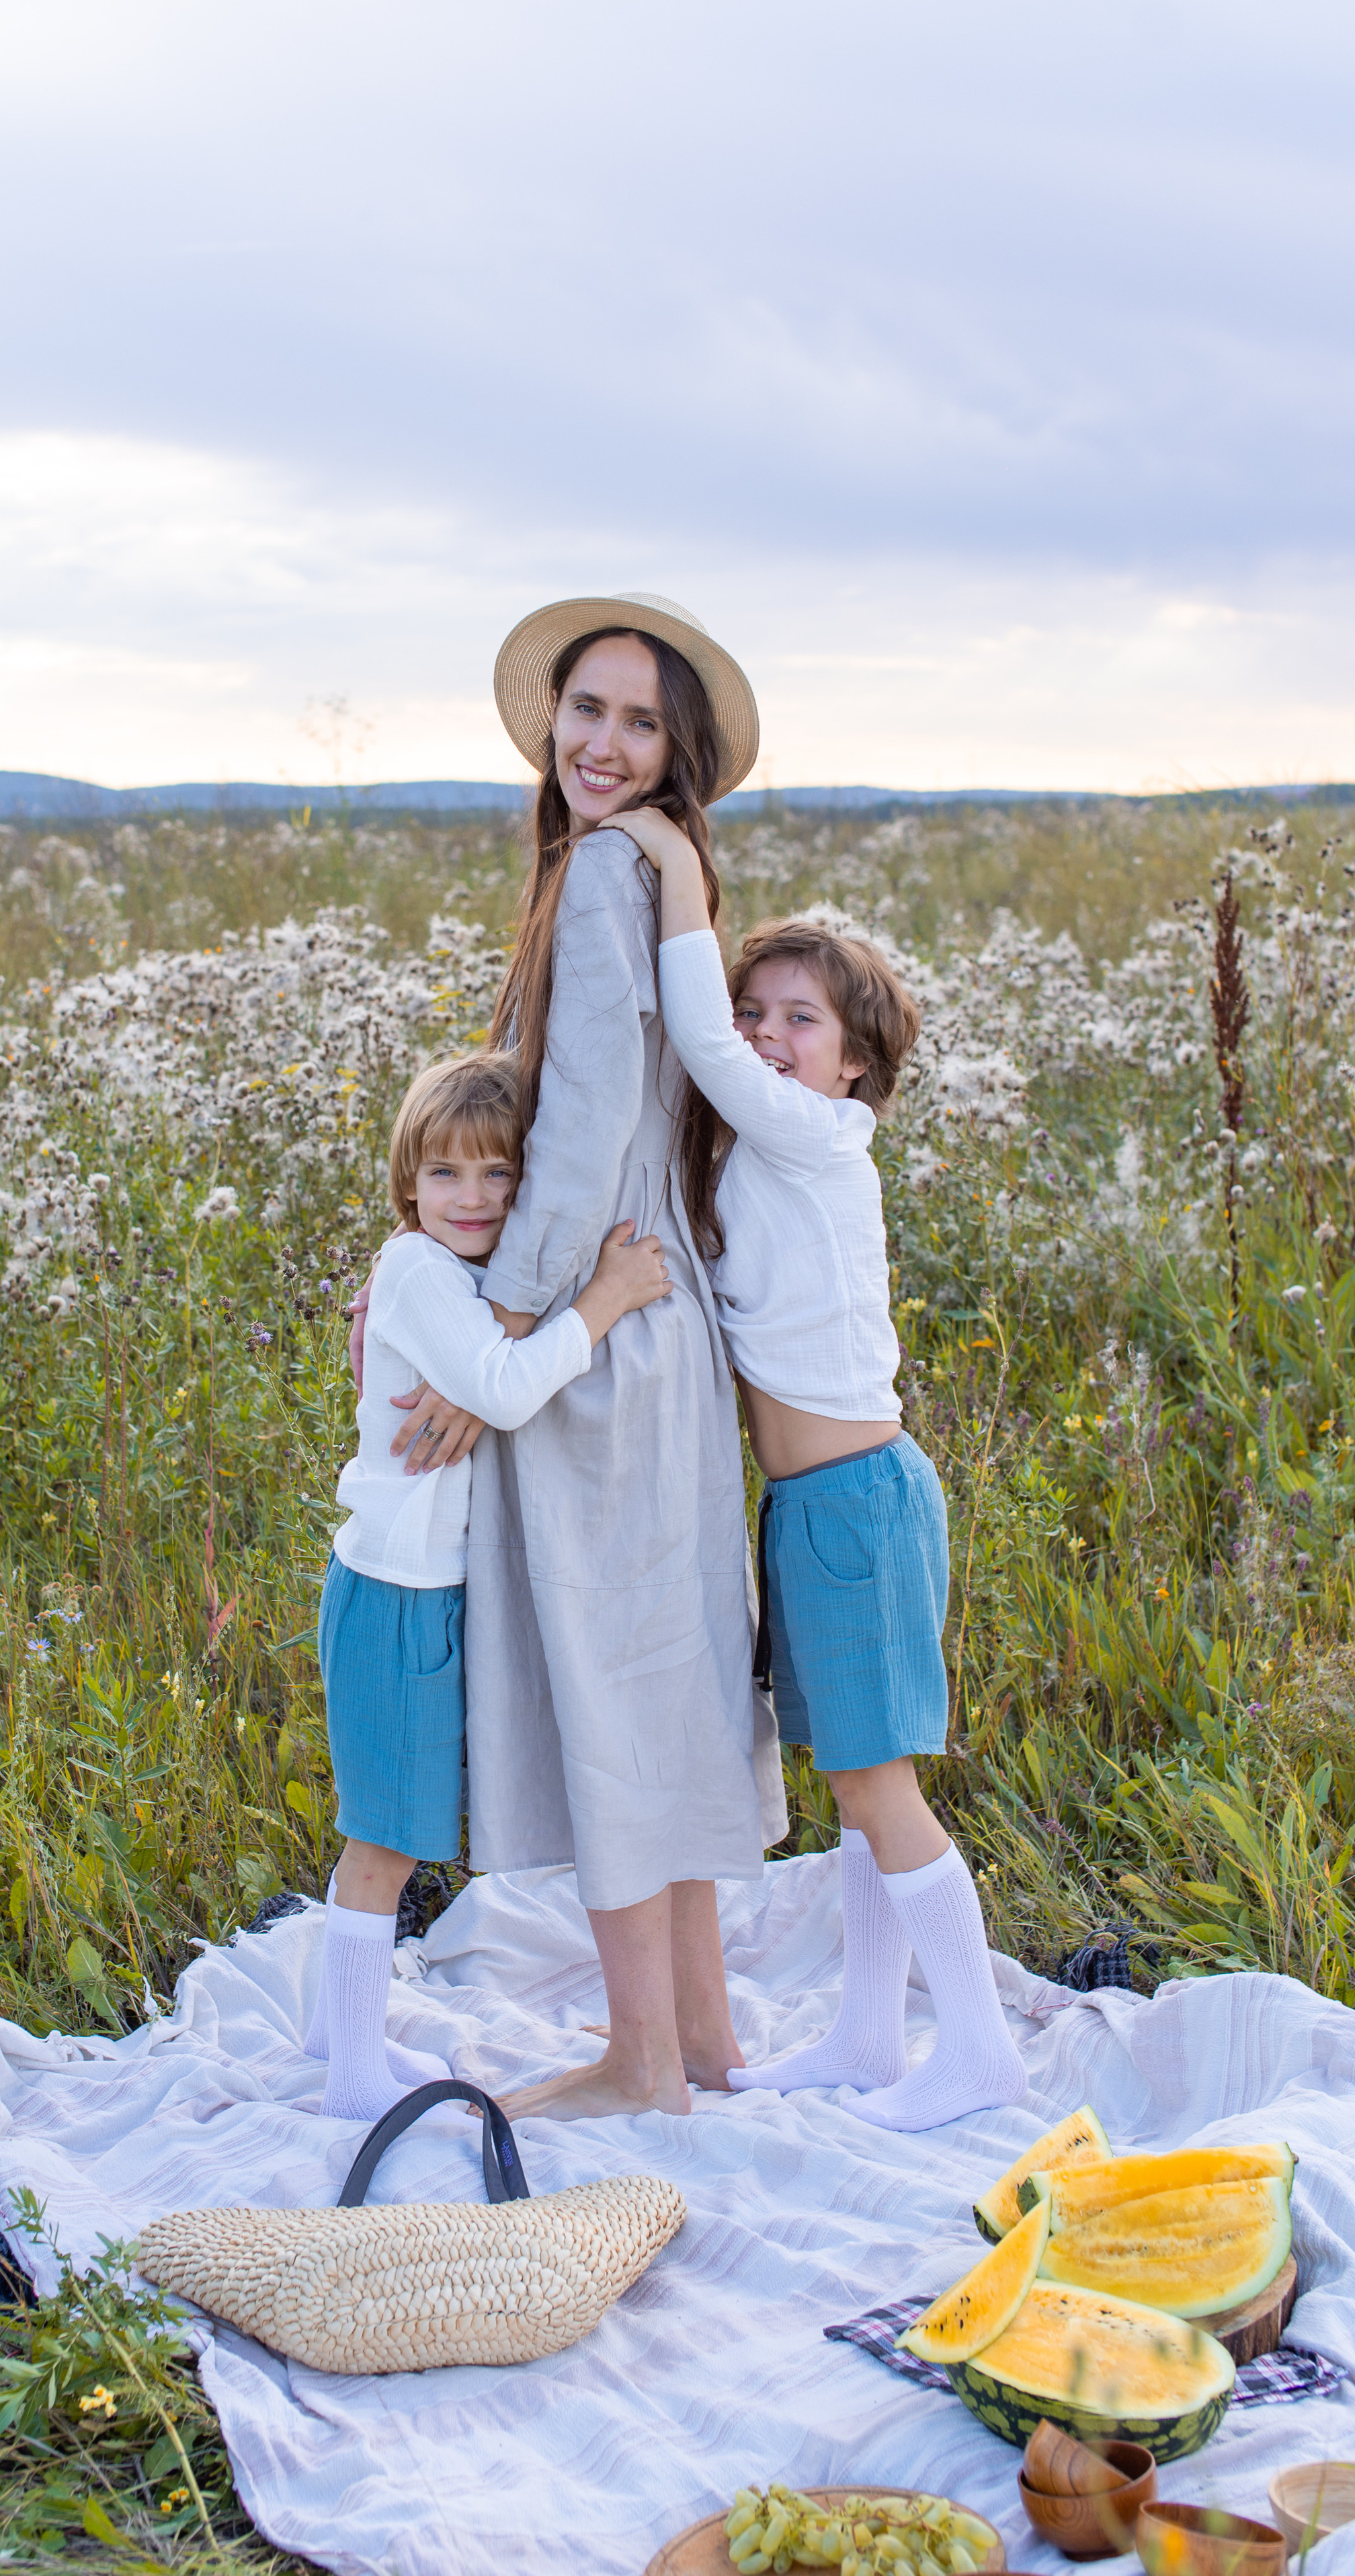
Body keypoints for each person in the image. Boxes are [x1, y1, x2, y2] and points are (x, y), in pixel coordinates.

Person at [406, 592, 789, 2124]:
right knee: (666, 1671)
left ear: (676, 747)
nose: (605, 745)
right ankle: (696, 2032)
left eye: (639, 722)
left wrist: (494, 1329)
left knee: (615, 1685)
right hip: (662, 1311)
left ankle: (642, 2063)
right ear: (549, 721)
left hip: (600, 1332)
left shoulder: (603, 876)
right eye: (588, 711)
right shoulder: (667, 864)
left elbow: (571, 1138)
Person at [618, 810, 1028, 2131]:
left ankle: (971, 2051)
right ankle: (864, 2037)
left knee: (876, 1783)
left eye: (796, 1019)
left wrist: (678, 875)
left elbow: (694, 1049)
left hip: (855, 1500)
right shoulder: (761, 1157)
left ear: (852, 1070)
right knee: (854, 1778)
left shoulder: (809, 1136)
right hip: (810, 1507)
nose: (761, 1034)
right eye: (752, 1007)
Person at [308, 1049, 671, 2120]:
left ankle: (339, 2024)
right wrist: (606, 1298)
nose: (470, 1199)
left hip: (428, 1590)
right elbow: (507, 1389)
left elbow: (492, 1368)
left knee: (396, 1826)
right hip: (394, 1592)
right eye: (444, 1176)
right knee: (386, 1838)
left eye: (497, 1175)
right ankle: (352, 2074)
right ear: (407, 1186)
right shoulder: (419, 1271)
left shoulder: (461, 1279)